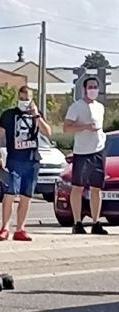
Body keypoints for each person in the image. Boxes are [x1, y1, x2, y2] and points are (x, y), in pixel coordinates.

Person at [0, 86, 52, 241]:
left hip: (32, 160)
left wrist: (37, 116)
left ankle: (20, 229)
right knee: (10, 193)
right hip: (14, 159)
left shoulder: (36, 116)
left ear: (32, 99)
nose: (24, 101)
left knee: (27, 195)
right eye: (22, 98)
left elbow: (48, 132)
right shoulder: (8, 115)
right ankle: (5, 227)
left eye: (27, 99)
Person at [63, 77, 108, 235]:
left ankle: (96, 222)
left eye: (95, 87)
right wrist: (85, 127)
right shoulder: (76, 107)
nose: (93, 89)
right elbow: (66, 128)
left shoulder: (100, 107)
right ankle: (77, 222)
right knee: (78, 187)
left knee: (97, 188)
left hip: (98, 150)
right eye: (90, 87)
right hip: (82, 152)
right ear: (84, 89)